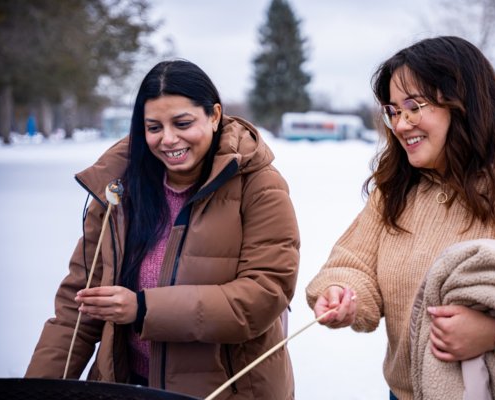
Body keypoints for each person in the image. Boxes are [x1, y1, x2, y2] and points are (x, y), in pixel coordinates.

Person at [305, 36, 495, 400]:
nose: (399, 124)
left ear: (463, 104)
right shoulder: (397, 190)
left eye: (413, 106)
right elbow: (353, 264)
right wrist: (342, 293)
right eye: (393, 110)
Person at [26, 60, 300, 400]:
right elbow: (76, 308)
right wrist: (35, 389)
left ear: (214, 116)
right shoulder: (119, 188)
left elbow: (265, 293)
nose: (168, 139)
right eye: (153, 127)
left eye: (182, 123)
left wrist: (143, 308)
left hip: (228, 391)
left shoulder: (259, 185)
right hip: (124, 387)